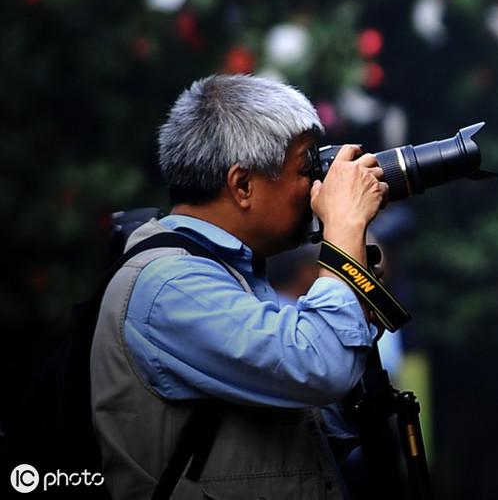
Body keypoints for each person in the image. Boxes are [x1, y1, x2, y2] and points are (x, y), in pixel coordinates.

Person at [90, 73, 389, 499]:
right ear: (243, 185)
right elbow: (320, 368)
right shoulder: (169, 285)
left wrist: (355, 304)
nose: (317, 186)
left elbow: (309, 440)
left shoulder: (236, 275)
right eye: (307, 166)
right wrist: (343, 227)